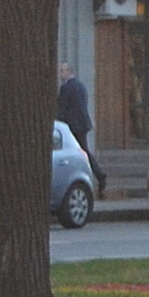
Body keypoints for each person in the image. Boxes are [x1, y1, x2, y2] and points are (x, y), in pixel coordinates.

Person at [58, 61, 109, 197]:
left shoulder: (66, 88)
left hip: (72, 126)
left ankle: (98, 175)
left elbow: (62, 109)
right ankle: (99, 176)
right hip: (83, 124)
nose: (60, 74)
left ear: (69, 72)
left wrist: (59, 123)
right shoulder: (81, 86)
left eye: (62, 71)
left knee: (82, 152)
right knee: (83, 151)